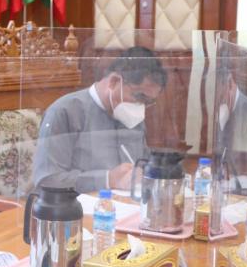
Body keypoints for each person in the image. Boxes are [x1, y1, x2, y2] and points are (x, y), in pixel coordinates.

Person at [33, 46, 168, 193]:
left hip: (128, 203)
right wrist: (108, 179)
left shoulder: (132, 116)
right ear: (114, 82)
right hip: (78, 205)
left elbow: (144, 166)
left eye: (148, 102)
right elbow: (47, 180)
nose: (141, 106)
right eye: (139, 96)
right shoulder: (66, 111)